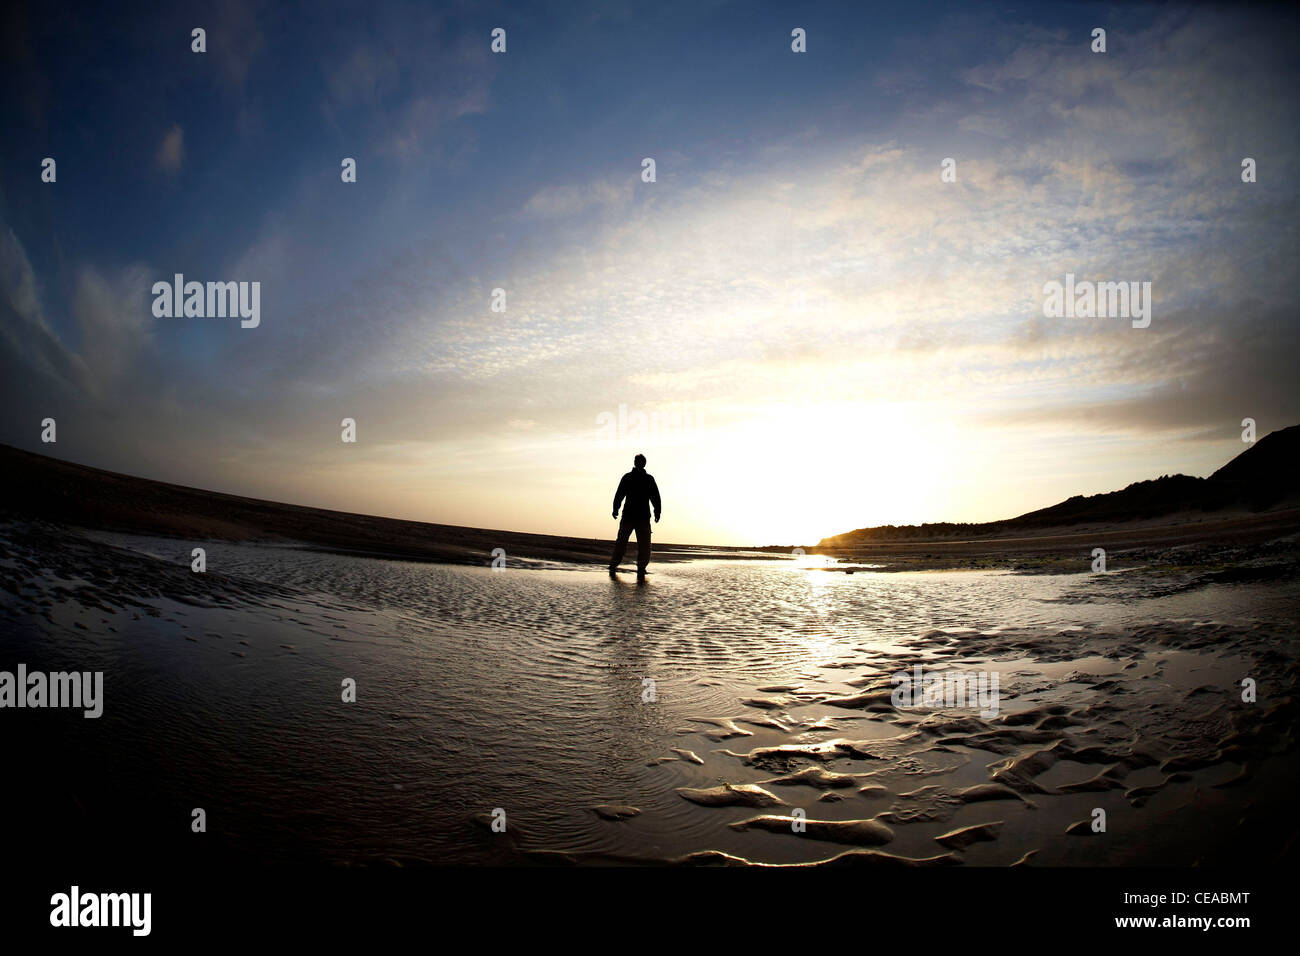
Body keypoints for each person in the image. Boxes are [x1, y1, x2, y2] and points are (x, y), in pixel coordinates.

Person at [609, 454, 661, 579]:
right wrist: (615, 508)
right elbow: (620, 494)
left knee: (638, 544)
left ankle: (634, 567)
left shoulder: (645, 479)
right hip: (633, 516)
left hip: (638, 517)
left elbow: (655, 497)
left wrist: (657, 511)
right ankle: (617, 565)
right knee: (627, 543)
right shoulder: (631, 478)